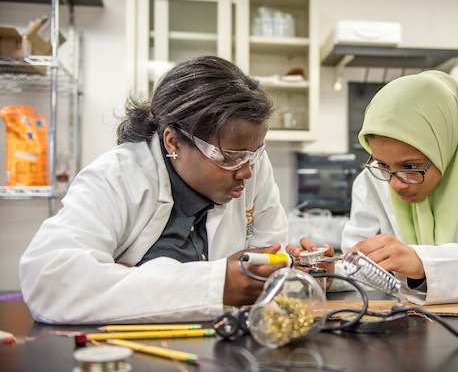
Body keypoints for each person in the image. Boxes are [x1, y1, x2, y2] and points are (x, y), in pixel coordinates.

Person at [19, 56, 289, 324]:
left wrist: (300, 269)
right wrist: (215, 285)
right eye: (229, 157)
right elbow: (51, 282)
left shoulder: (250, 163)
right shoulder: (117, 177)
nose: (246, 171)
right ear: (173, 142)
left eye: (254, 153)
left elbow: (266, 261)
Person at [288, 70, 458, 305]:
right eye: (382, 164)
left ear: (445, 146)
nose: (394, 182)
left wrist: (422, 262)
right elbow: (365, 270)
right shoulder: (371, 182)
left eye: (411, 166)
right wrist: (331, 273)